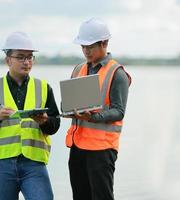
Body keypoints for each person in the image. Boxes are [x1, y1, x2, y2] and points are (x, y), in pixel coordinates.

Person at [0, 31, 60, 200]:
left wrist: (45, 121)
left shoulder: (44, 87)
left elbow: (55, 124)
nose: (26, 62)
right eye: (20, 57)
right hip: (0, 165)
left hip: (34, 164)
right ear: (8, 60)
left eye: (30, 57)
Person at [64, 18, 132, 200]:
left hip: (102, 150)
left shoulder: (117, 73)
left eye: (90, 46)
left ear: (104, 43)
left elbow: (119, 111)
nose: (86, 51)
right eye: (83, 46)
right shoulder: (78, 69)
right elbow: (69, 102)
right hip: (77, 147)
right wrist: (67, 109)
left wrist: (93, 117)